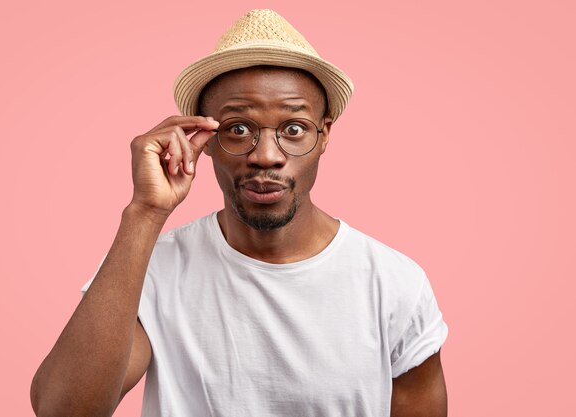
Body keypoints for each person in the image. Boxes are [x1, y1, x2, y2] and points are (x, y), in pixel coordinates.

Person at [30, 9, 448, 417]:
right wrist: (144, 212)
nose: (266, 157)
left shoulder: (394, 283)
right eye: (239, 129)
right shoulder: (148, 270)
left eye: (294, 129)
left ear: (324, 136)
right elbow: (63, 411)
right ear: (205, 139)